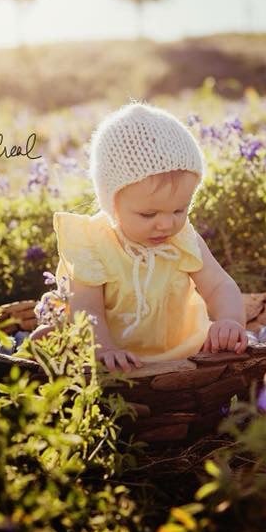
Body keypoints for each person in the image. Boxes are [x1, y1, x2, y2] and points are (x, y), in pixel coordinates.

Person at [29, 102, 248, 372]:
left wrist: (229, 320)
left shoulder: (182, 239)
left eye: (179, 210)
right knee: (50, 337)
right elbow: (87, 308)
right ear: (112, 204)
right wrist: (104, 349)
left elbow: (219, 286)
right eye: (148, 214)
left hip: (182, 351)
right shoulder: (92, 243)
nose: (166, 224)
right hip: (109, 353)